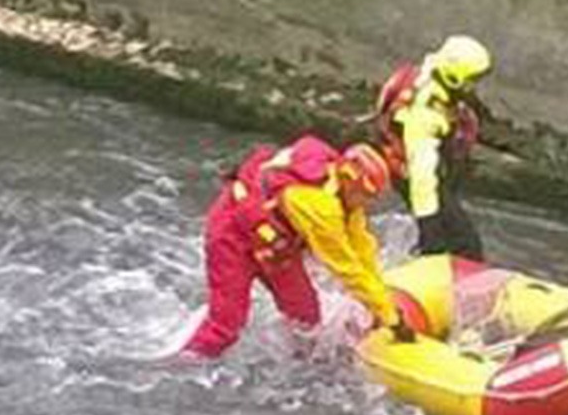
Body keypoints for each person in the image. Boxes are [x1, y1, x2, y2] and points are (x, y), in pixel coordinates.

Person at [176, 134, 415, 362]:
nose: (368, 204)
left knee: (306, 317)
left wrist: (384, 305)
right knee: (226, 326)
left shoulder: (342, 192)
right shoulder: (318, 205)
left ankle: (303, 365)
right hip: (232, 233)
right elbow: (346, 267)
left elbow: (362, 249)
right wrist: (389, 317)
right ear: (350, 182)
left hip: (276, 245)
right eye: (366, 196)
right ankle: (184, 364)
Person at [374, 35, 493, 261]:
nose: (474, 87)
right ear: (454, 78)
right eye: (472, 80)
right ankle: (439, 267)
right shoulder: (426, 115)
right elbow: (422, 177)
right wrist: (430, 230)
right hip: (415, 173)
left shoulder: (430, 74)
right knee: (465, 242)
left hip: (428, 162)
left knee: (452, 223)